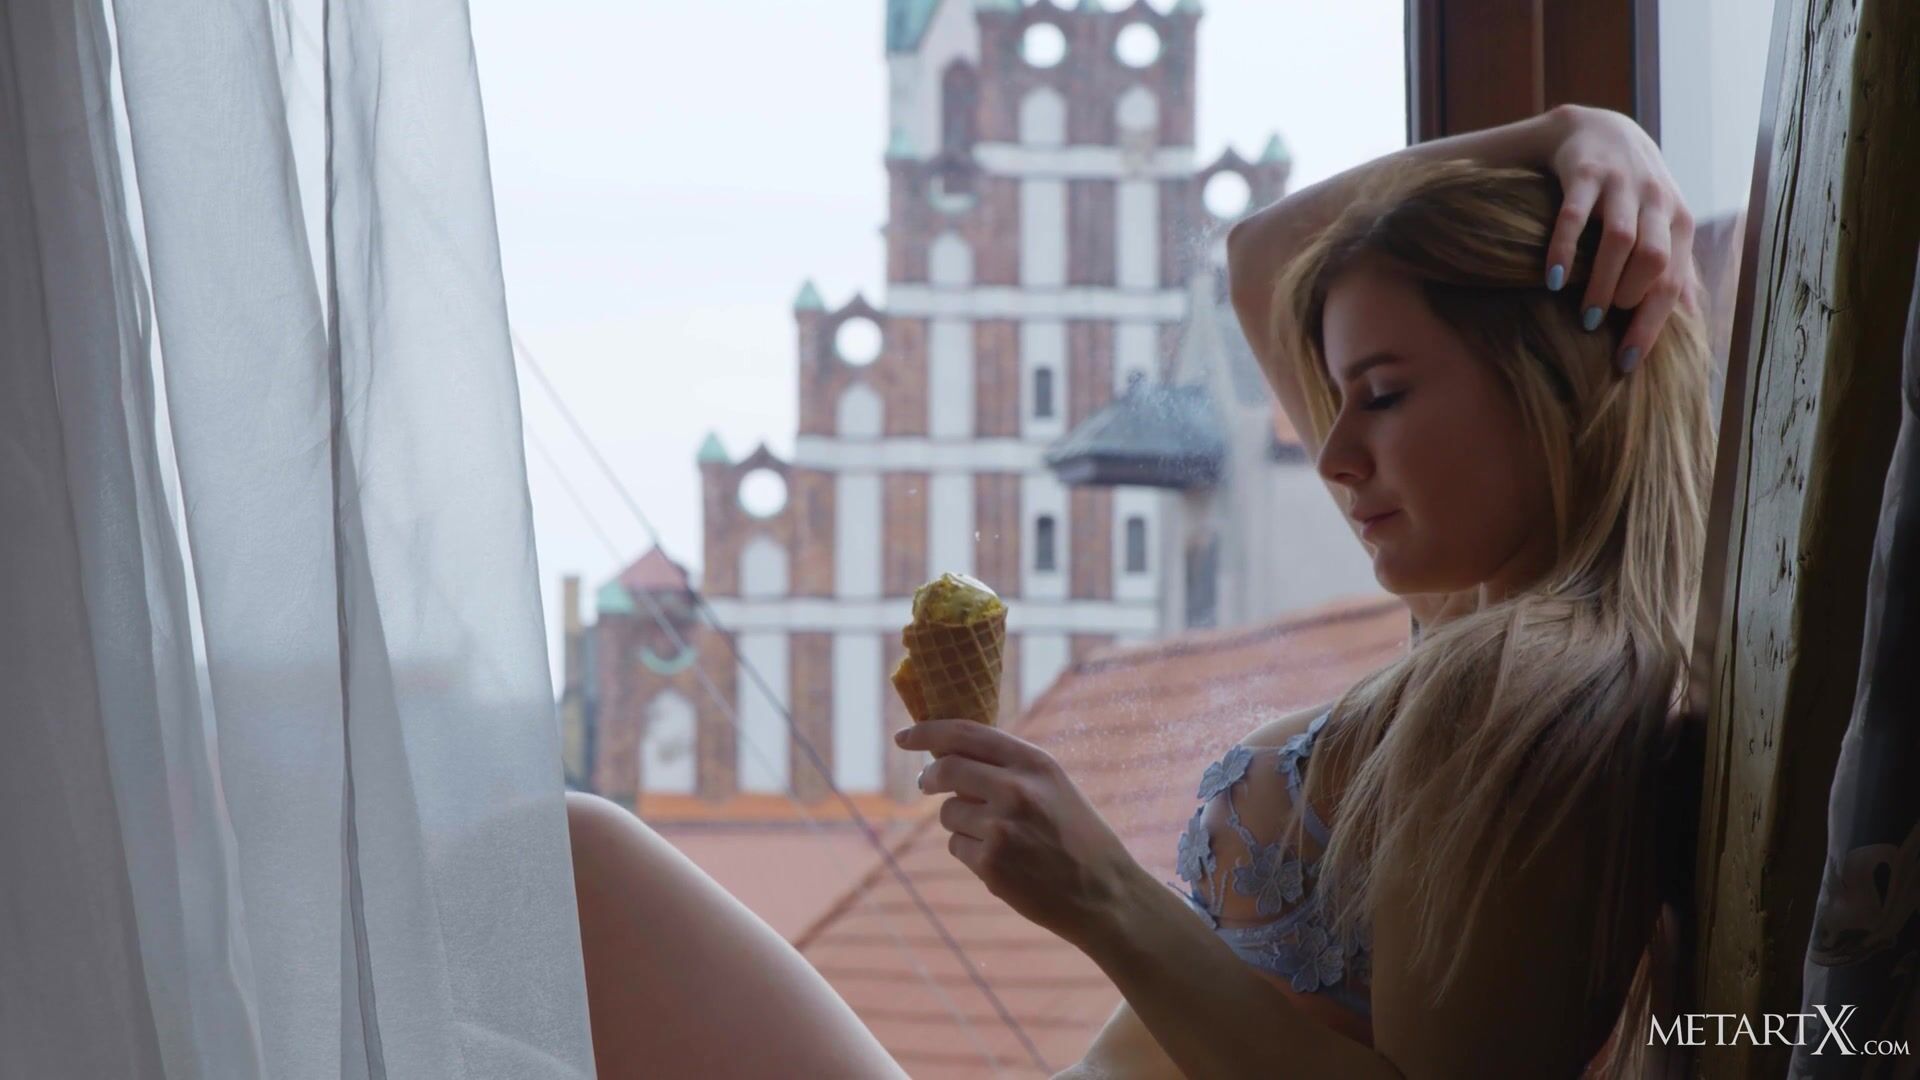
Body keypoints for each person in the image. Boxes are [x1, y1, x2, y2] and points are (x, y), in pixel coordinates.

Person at [565, 102, 1711, 1079]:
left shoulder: (1525, 681)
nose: (1332, 452)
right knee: (566, 866)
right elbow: (1266, 251)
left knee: (565, 869)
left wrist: (1103, 893)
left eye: (1383, 394)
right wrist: (1580, 135)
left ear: (1550, 385)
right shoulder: (1496, 625)